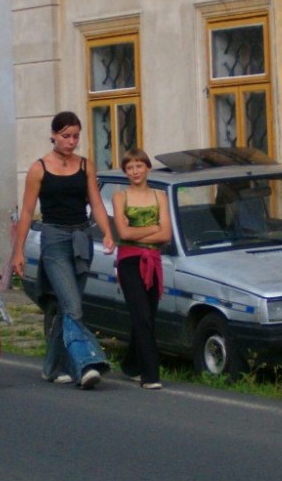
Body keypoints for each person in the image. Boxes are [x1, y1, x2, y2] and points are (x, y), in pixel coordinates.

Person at [11, 111, 114, 389]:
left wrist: (106, 232)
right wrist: (18, 252)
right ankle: (86, 364)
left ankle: (51, 367)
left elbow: (96, 201)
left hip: (81, 237)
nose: (71, 141)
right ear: (54, 136)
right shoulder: (39, 168)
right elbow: (28, 212)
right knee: (73, 306)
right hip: (54, 238)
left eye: (76, 136)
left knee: (66, 308)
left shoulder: (85, 166)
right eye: (66, 136)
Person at [112, 148, 172, 390]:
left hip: (153, 262)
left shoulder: (160, 196)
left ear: (147, 167)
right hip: (129, 261)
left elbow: (167, 234)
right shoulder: (120, 196)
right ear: (125, 172)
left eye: (139, 166)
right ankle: (151, 375)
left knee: (149, 314)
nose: (135, 171)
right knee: (141, 315)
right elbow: (123, 233)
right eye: (130, 167)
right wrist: (153, 229)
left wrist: (147, 232)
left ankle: (131, 364)